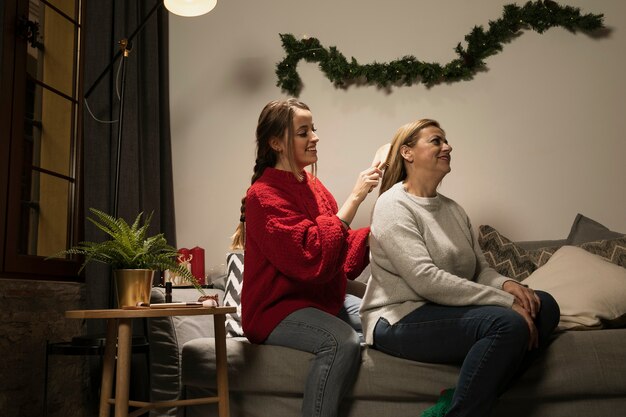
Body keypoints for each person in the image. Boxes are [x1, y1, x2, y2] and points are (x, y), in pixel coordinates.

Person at [360, 119, 560, 417]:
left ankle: (457, 401)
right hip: (399, 317)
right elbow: (426, 280)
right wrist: (506, 303)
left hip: (444, 309)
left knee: (544, 305)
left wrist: (507, 285)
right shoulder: (393, 206)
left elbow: (480, 270)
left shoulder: (453, 209)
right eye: (437, 141)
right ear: (407, 153)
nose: (447, 146)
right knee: (506, 323)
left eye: (446, 141)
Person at [230, 98, 383, 417]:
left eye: (313, 129)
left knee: (381, 318)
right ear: (276, 143)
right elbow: (310, 255)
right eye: (303, 132)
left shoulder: (313, 185)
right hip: (276, 310)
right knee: (341, 341)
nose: (314, 137)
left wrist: (379, 229)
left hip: (319, 299)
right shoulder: (261, 196)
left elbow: (338, 255)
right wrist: (355, 198)